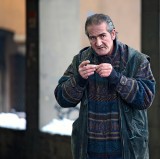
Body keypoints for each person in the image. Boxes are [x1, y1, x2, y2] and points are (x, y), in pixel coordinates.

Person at [54, 13, 156, 159]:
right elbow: (62, 99)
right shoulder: (81, 60)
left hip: (127, 151)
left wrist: (116, 77)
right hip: (89, 152)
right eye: (93, 37)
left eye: (102, 36)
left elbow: (145, 98)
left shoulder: (136, 60)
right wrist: (79, 80)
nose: (98, 42)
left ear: (113, 34)